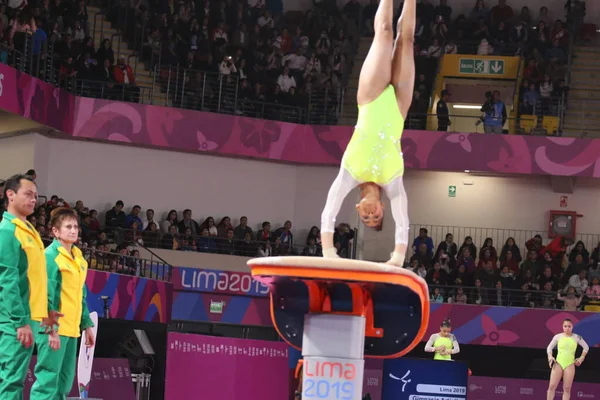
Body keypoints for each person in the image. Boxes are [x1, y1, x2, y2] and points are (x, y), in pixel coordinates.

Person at [320, 0, 415, 267]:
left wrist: (329, 252)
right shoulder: (394, 181)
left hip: (370, 99)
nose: (371, 216)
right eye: (376, 218)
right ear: (383, 208)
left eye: (366, 218)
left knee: (385, 32)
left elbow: (329, 211)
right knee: (406, 41)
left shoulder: (349, 173)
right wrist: (397, 258)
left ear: (358, 209)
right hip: (398, 108)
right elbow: (403, 222)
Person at [0, 174, 61, 400]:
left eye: (36, 196)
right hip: (14, 321)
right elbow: (7, 280)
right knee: (12, 380)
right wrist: (19, 321)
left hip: (30, 318)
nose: (34, 199)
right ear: (10, 195)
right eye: (28, 194)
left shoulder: (30, 230)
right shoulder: (7, 231)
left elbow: (37, 278)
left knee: (14, 378)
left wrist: (45, 310)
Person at [30, 207, 95, 400]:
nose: (74, 230)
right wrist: (52, 330)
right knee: (47, 381)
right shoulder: (50, 256)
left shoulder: (79, 259)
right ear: (55, 232)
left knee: (64, 383)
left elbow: (80, 294)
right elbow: (46, 296)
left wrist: (86, 325)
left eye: (75, 226)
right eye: (68, 227)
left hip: (72, 329)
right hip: (53, 328)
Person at [546, 318, 589, 400]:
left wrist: (581, 358)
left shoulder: (577, 337)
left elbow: (586, 347)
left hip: (570, 364)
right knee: (551, 386)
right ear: (562, 327)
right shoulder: (557, 337)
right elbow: (549, 348)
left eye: (569, 326)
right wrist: (550, 357)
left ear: (572, 327)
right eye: (565, 326)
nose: (567, 328)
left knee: (567, 388)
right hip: (558, 363)